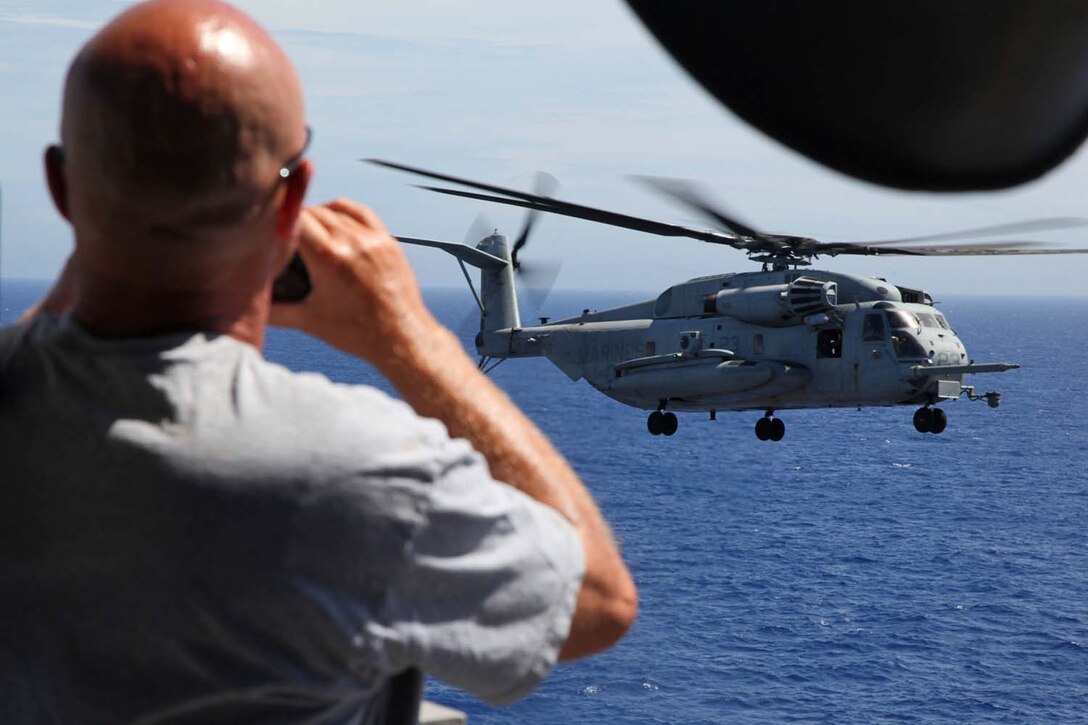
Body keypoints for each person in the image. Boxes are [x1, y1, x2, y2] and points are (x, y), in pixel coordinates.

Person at [0, 1, 637, 722]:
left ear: (59, 187)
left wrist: (106, 236)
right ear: (293, 199)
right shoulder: (352, 470)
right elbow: (597, 601)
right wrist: (408, 338)